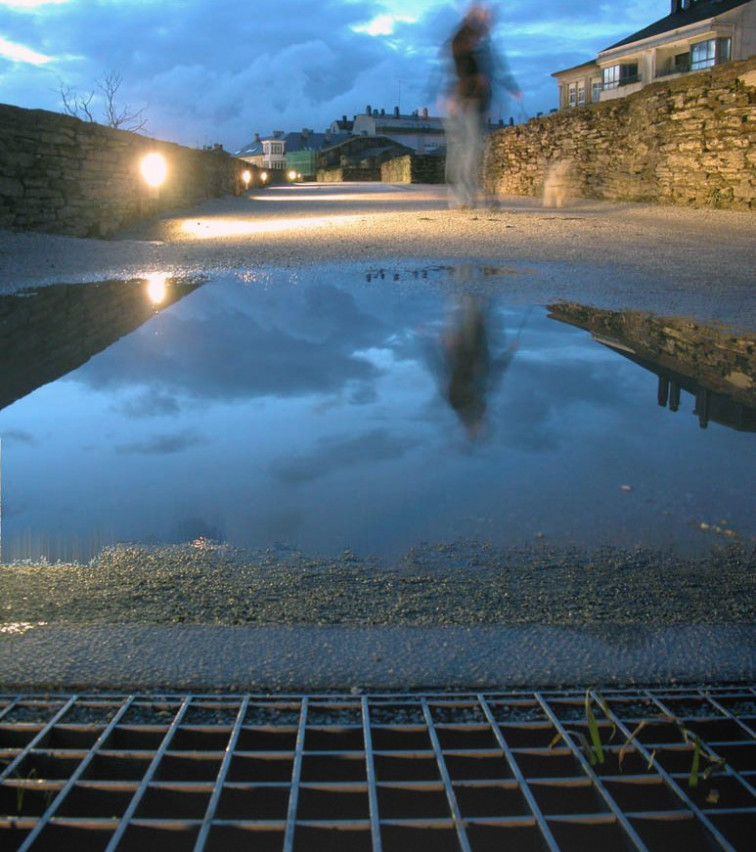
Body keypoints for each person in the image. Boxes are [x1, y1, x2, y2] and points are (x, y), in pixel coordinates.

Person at [444, 2, 521, 208]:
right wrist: (475, 81)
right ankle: (462, 194)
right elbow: (461, 64)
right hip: (467, 100)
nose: (489, 22)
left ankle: (468, 194)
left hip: (477, 101)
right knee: (467, 149)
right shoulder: (464, 38)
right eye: (485, 18)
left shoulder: (481, 42)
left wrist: (510, 87)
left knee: (472, 148)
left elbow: (495, 68)